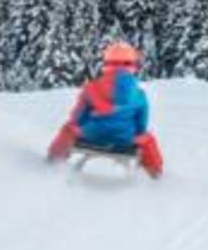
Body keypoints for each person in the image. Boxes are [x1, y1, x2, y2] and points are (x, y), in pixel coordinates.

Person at [46, 40, 165, 178]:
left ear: (106, 64)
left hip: (91, 135)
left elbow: (77, 118)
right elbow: (141, 125)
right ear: (133, 66)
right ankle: (155, 173)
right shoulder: (139, 95)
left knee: (68, 128)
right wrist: (136, 135)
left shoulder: (91, 88)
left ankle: (53, 161)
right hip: (124, 140)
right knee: (148, 139)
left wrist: (79, 127)